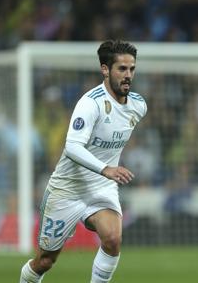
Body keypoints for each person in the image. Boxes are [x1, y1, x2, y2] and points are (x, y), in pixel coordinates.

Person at [20, 39, 147, 283]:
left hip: (101, 187)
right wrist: (105, 168)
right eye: (122, 69)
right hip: (67, 188)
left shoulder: (138, 106)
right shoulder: (90, 104)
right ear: (105, 70)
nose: (128, 75)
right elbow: (72, 146)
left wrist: (106, 172)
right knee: (45, 260)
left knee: (112, 239)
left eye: (132, 69)